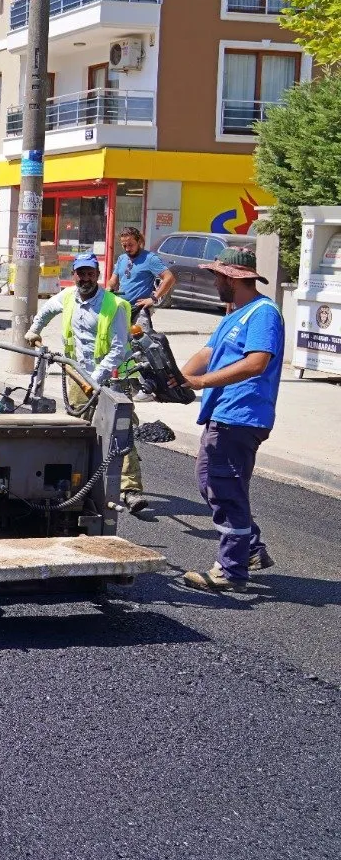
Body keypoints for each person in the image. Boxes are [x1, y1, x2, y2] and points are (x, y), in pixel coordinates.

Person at [176, 248, 284, 593]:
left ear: (234, 277)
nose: (214, 281)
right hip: (225, 414)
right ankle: (250, 549)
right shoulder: (234, 314)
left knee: (225, 490)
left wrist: (200, 383)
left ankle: (231, 570)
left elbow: (256, 363)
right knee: (210, 483)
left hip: (242, 415)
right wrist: (177, 378)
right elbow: (208, 354)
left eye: (217, 275)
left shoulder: (263, 313)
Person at [25, 251, 147, 511]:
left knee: (119, 432)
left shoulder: (113, 305)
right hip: (79, 375)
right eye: (81, 273)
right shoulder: (68, 296)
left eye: (90, 273)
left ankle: (130, 489)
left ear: (98, 275)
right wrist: (35, 330)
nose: (85, 278)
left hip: (113, 377)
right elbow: (46, 310)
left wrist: (96, 379)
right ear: (74, 275)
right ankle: (81, 481)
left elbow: (117, 349)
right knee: (80, 427)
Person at [108, 226, 175, 331]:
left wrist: (154, 298)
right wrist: (109, 288)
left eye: (130, 245)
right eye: (124, 245)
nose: (127, 249)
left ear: (139, 241)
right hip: (121, 308)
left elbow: (169, 278)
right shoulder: (122, 258)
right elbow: (113, 280)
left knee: (140, 342)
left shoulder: (150, 258)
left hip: (140, 310)